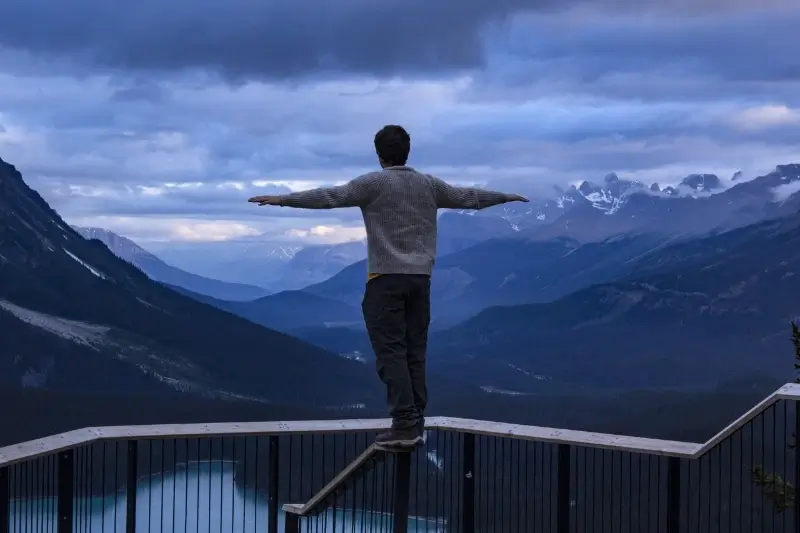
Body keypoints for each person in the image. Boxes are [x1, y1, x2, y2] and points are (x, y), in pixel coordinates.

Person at [248, 125, 528, 447]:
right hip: (421, 282)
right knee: (415, 350)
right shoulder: (429, 185)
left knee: (390, 352)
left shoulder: (373, 183)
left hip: (385, 280)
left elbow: (330, 197)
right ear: (407, 151)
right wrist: (505, 196)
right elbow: (470, 197)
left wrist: (283, 199)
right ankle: (415, 419)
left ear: (379, 154)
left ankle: (405, 423)